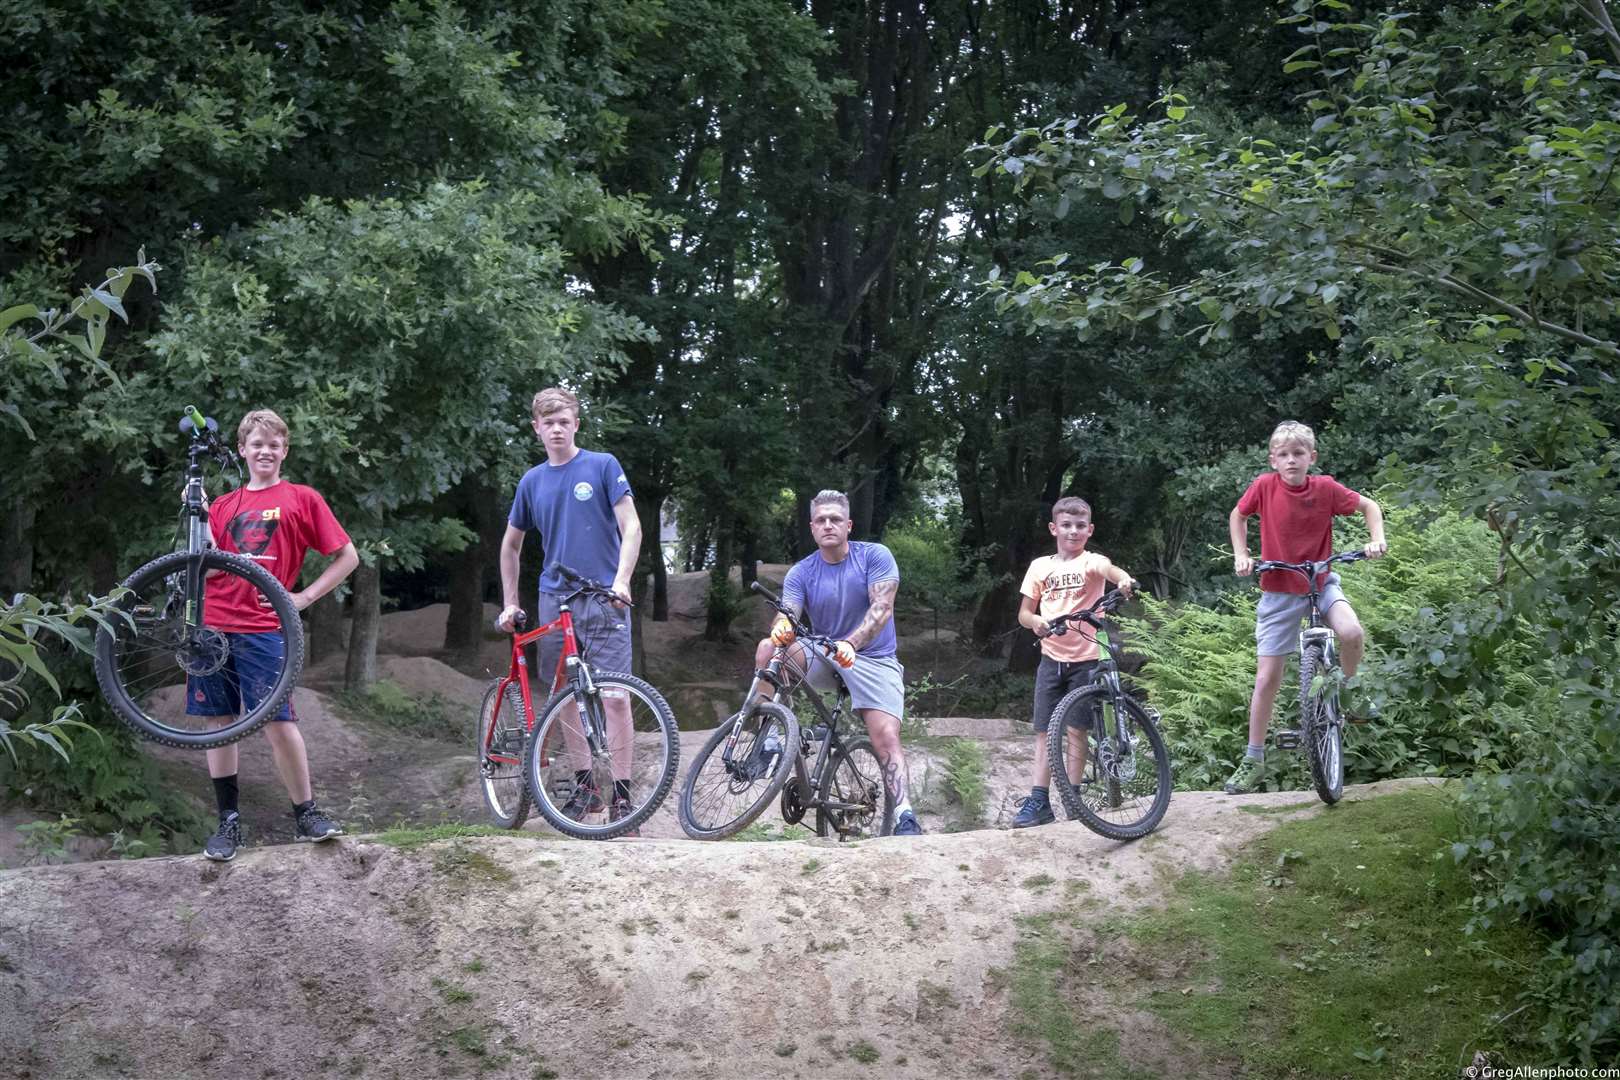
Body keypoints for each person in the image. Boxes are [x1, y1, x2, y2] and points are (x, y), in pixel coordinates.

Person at [196, 409, 360, 861]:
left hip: (265, 627)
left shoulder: (302, 498)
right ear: (243, 450)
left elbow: (348, 557)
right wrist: (195, 512)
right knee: (218, 724)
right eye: (257, 444)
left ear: (284, 451)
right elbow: (201, 564)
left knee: (279, 721)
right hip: (214, 624)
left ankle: (306, 813)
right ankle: (228, 823)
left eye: (274, 444)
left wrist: (304, 598)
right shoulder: (223, 505)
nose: (265, 451)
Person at [497, 387, 643, 828]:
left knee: (616, 698)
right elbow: (510, 545)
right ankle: (585, 789)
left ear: (576, 423)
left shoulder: (602, 466)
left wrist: (622, 580)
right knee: (565, 696)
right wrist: (510, 602)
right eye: (549, 422)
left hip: (604, 596)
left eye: (565, 421)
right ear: (536, 428)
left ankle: (622, 797)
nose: (557, 428)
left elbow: (631, 525)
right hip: (553, 599)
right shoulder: (531, 481)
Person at [1224, 420, 1387, 794]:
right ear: (1273, 460)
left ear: (1311, 457)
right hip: (1279, 589)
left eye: (1299, 453)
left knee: (1351, 631)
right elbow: (1238, 515)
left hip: (1321, 580)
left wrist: (1376, 539)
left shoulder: (1326, 488)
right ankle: (1253, 759)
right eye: (1283, 455)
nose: (1291, 460)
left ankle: (1349, 691)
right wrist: (1242, 555)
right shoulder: (1264, 487)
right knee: (1267, 678)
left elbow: (1369, 507)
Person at [757, 489, 923, 836]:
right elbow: (786, 615)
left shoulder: (875, 556)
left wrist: (852, 643)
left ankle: (905, 816)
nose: (828, 525)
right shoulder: (801, 572)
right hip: (825, 654)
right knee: (768, 651)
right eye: (821, 520)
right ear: (812, 527)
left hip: (873, 659)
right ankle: (768, 739)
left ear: (848, 525)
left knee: (885, 736)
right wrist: (782, 629)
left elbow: (881, 609)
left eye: (835, 519)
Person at [1010, 497, 1137, 828]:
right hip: (1051, 658)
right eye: (1066, 525)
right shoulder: (1040, 567)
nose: (1073, 531)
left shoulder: (1091, 561)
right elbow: (1024, 613)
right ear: (1054, 528)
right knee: (1043, 730)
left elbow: (1112, 570)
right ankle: (1038, 800)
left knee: (1076, 729)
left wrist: (1123, 580)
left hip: (1087, 659)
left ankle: (1072, 798)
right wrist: (1035, 621)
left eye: (1081, 526)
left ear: (1089, 529)